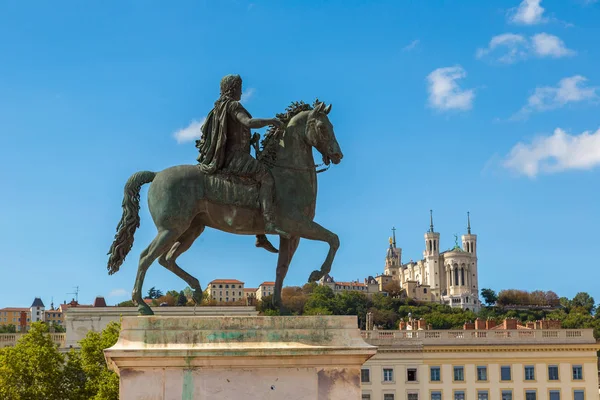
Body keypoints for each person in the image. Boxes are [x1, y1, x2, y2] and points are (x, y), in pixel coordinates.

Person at [196, 74, 288, 253]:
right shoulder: (232, 105)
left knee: (255, 180)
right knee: (266, 177)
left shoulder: (217, 107)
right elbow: (248, 122)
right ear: (233, 88)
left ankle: (260, 235)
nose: (241, 91)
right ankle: (268, 223)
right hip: (235, 158)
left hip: (226, 156)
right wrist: (271, 121)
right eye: (239, 87)